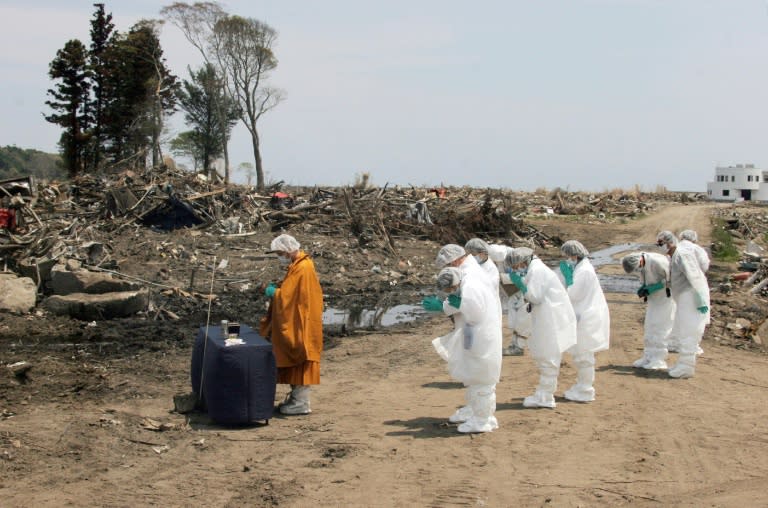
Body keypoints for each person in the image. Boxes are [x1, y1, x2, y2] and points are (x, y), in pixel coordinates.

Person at [428, 266, 503, 433]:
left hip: (482, 338)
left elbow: (475, 314)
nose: (450, 292)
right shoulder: (466, 283)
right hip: (479, 336)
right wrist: (449, 305)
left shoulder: (471, 286)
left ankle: (481, 421)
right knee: (477, 378)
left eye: (450, 289)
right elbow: (467, 306)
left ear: (455, 283)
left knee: (481, 380)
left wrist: (459, 303)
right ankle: (483, 417)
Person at [259, 234, 324, 414]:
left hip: (302, 322)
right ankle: (296, 398)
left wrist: (272, 291)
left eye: (280, 252)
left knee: (300, 355)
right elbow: (291, 290)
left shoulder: (303, 267)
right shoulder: (298, 266)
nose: (280, 256)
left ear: (287, 250)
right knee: (294, 357)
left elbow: (288, 297)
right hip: (301, 319)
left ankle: (301, 403)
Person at [505, 247, 577, 408]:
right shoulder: (535, 269)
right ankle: (544, 393)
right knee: (546, 355)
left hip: (551, 318)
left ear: (524, 261)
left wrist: (520, 284)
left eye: (517, 266)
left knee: (548, 357)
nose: (517, 270)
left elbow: (534, 296)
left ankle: (546, 397)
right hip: (548, 316)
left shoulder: (537, 271)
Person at [557, 240, 610, 402]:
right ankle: (582, 386)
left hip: (587, 317)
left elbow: (573, 294)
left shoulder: (584, 271)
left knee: (584, 356)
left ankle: (585, 389)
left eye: (568, 256)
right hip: (585, 314)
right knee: (582, 355)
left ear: (574, 255)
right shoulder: (582, 268)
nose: (566, 260)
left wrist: (567, 277)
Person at [656, 231, 710, 379]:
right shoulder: (674, 256)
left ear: (670, 242)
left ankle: (687, 367)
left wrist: (700, 300)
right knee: (683, 329)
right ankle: (683, 364)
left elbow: (695, 277)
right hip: (685, 296)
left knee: (689, 331)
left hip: (692, 295)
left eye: (661, 243)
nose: (659, 247)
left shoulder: (682, 255)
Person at [621, 251, 675, 370]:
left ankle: (659, 359)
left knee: (660, 327)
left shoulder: (658, 262)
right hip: (654, 299)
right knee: (650, 326)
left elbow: (671, 280)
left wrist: (653, 288)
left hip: (666, 299)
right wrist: (644, 288)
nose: (637, 271)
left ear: (639, 261)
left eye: (637, 268)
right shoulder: (642, 264)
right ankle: (648, 356)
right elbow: (646, 278)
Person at [488, 244, 530, 356]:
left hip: (525, 292)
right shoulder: (493, 260)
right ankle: (515, 345)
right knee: (515, 320)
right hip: (514, 293)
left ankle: (518, 347)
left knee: (522, 320)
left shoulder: (517, 257)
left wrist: (505, 278)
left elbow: (525, 277)